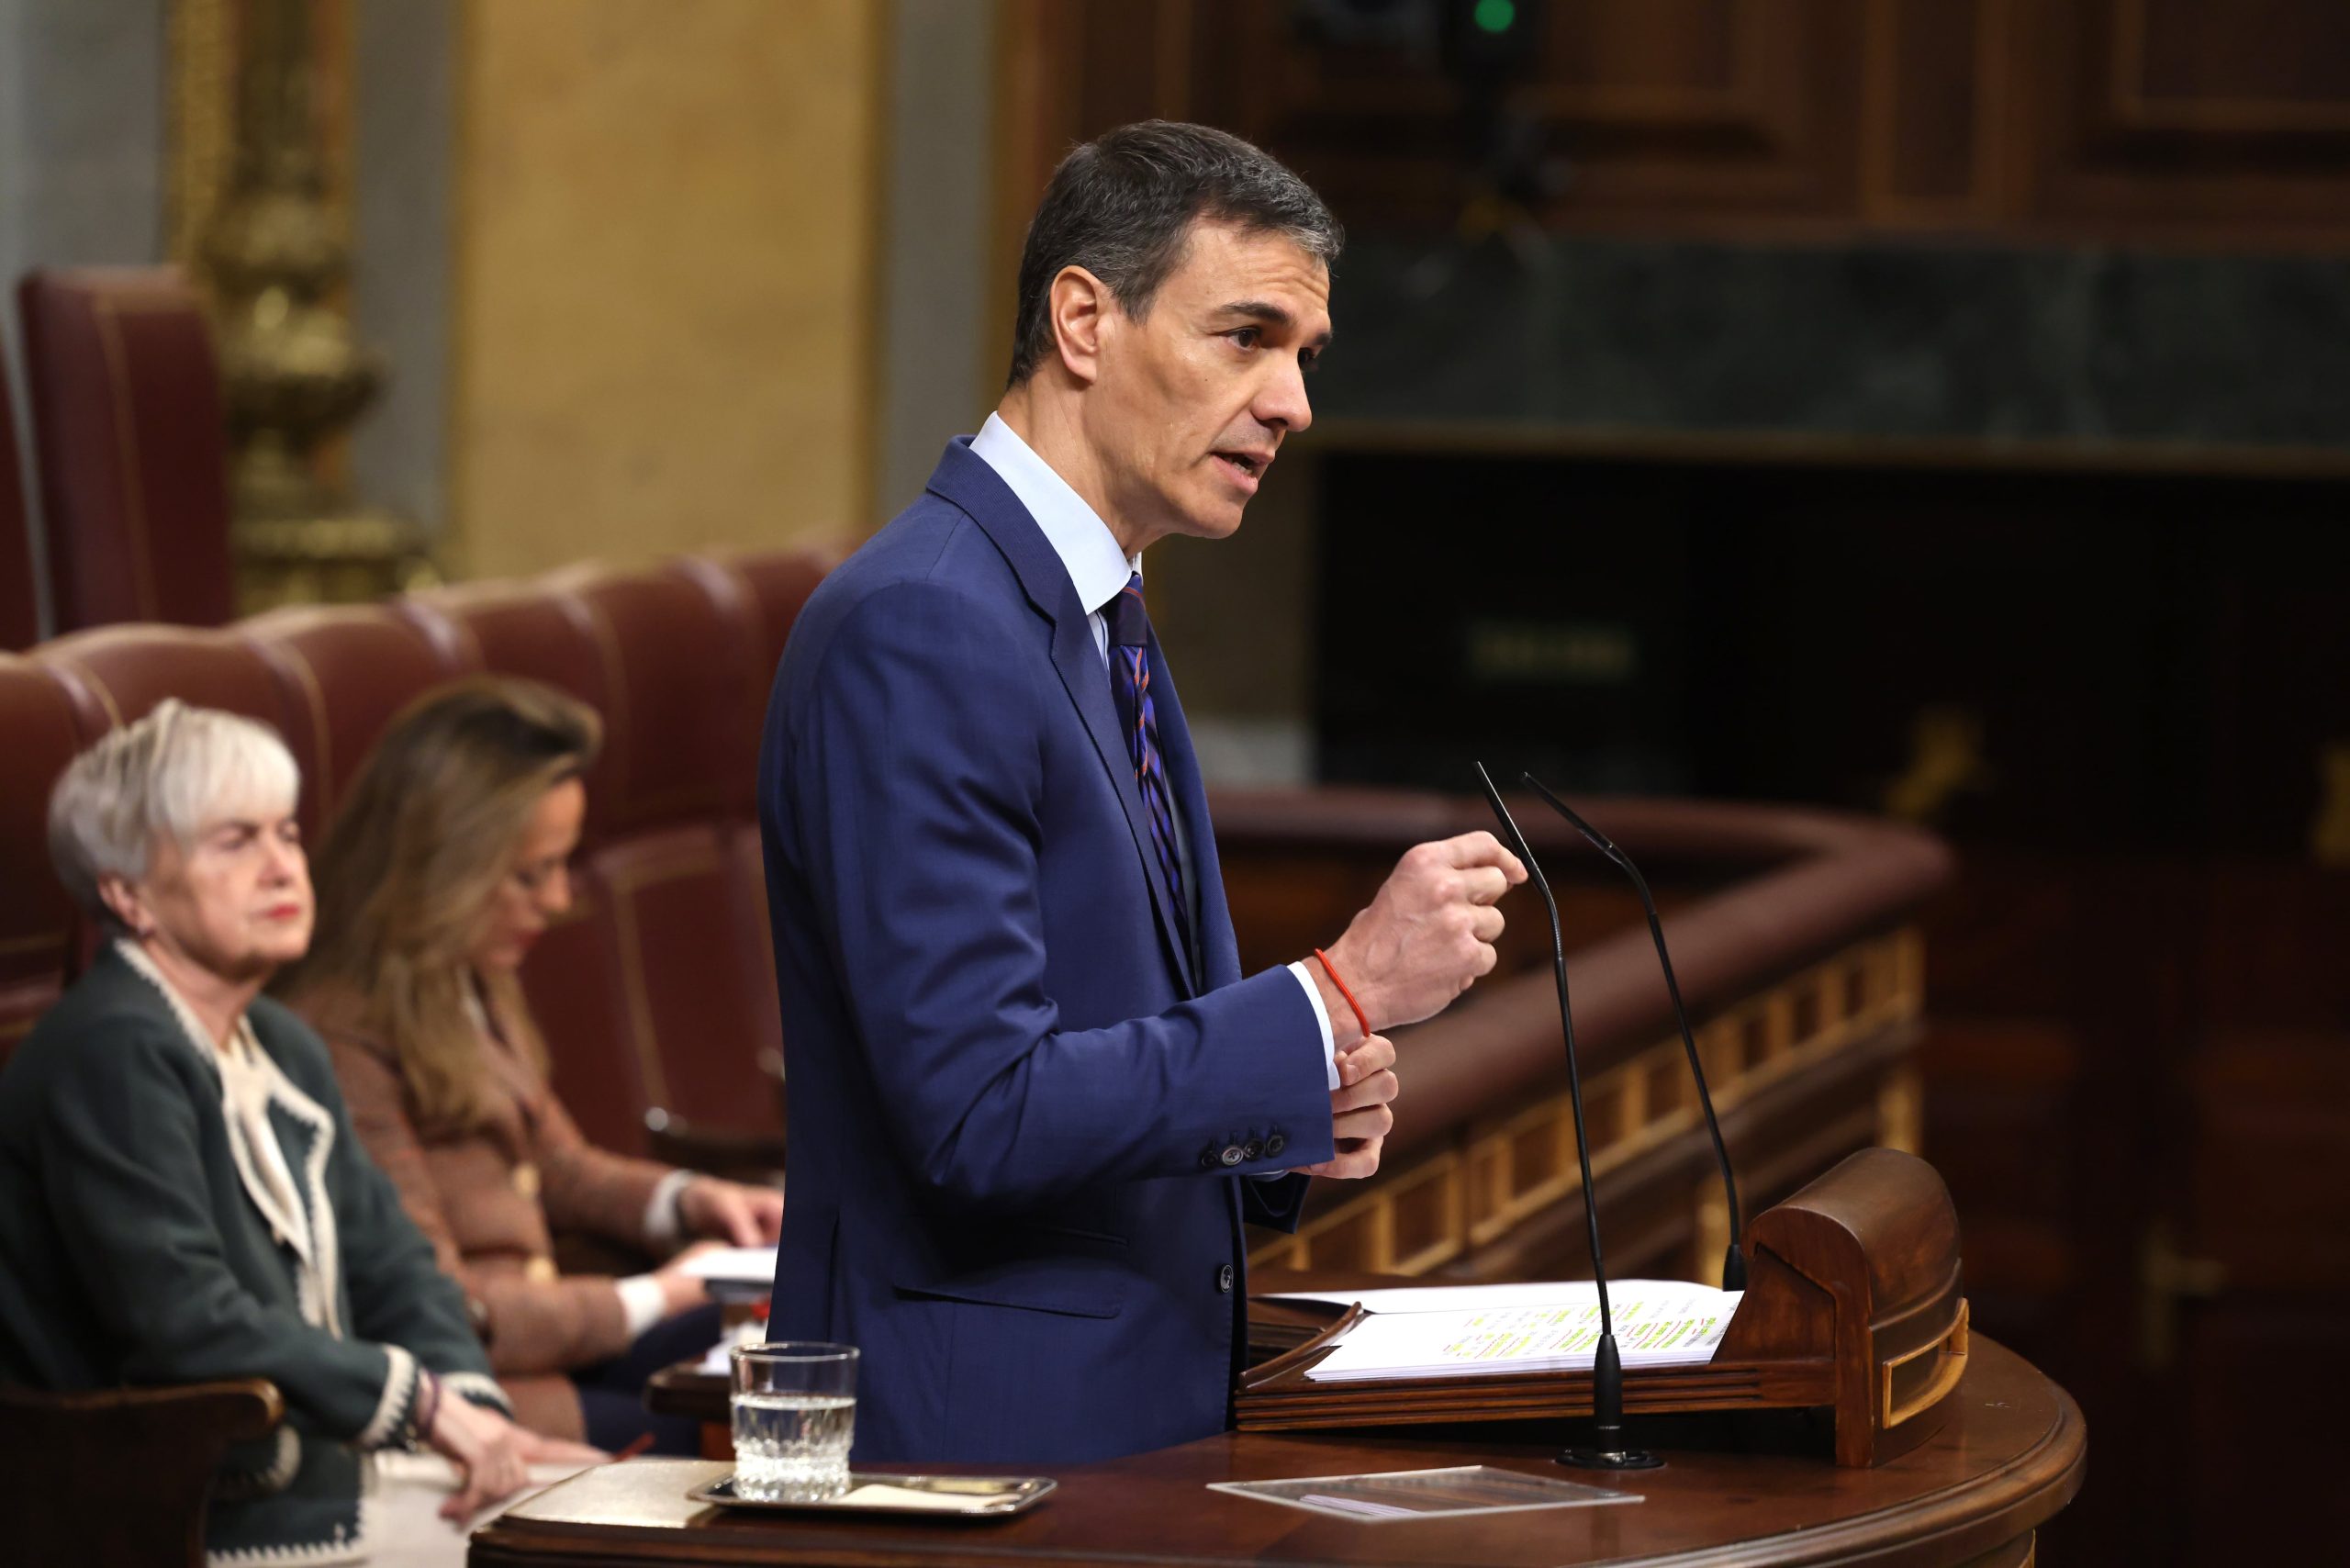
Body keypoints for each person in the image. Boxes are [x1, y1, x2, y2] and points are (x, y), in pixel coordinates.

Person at [758, 120, 1526, 1465]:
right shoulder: (928, 623)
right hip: (976, 1454)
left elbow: (1111, 1026)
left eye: (1303, 356)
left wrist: (1290, 1110)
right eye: (1246, 337)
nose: (1292, 402)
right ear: (1083, 321)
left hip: (1113, 1416)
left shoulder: (1093, 611)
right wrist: (1331, 996)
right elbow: (974, 1111)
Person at [0, 701, 598, 1563]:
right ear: (127, 894)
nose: (283, 868)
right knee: (581, 1546)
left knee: (609, 1508)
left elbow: (395, 1264)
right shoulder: (111, 1049)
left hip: (327, 1476)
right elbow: (187, 1323)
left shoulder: (280, 1040)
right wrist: (424, 1407)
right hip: (188, 1510)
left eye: (286, 833)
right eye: (234, 843)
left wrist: (479, 1416)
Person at [281, 678, 783, 1453]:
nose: (557, 899)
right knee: (746, 1438)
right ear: (444, 865)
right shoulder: (340, 1033)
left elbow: (554, 1163)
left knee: (804, 1354)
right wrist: (659, 1293)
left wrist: (691, 1201)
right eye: (529, 874)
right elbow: (438, 1309)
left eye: (561, 866)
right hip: (486, 1393)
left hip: (566, 1346)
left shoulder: (462, 971)